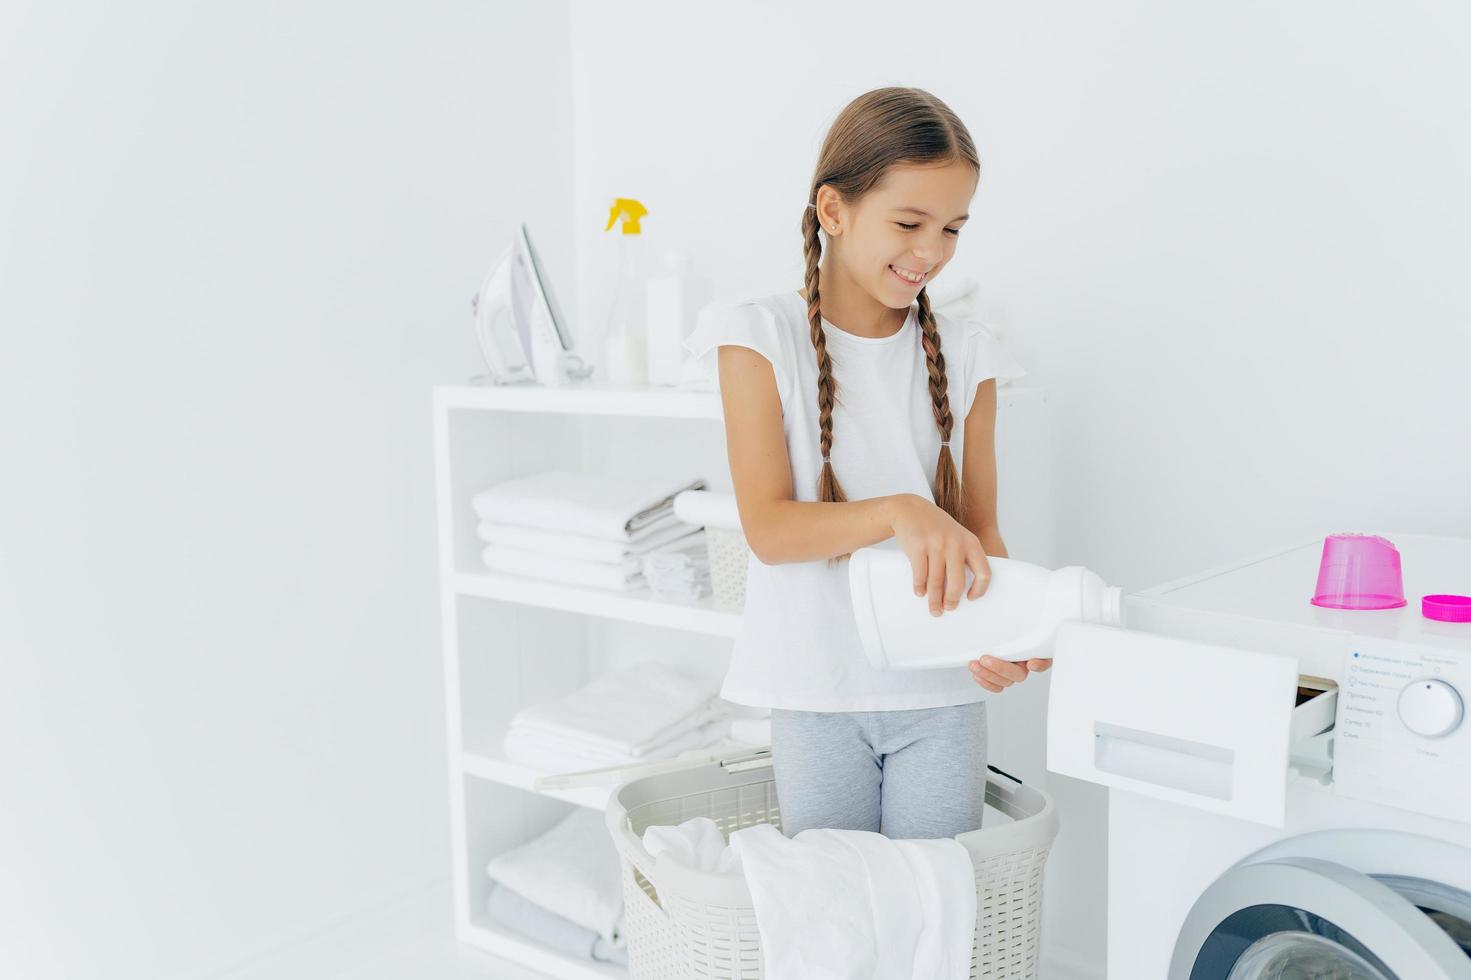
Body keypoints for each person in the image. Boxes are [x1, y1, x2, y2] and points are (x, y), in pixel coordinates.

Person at [684, 86, 1051, 841]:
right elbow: (770, 531)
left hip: (941, 693)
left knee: (933, 914)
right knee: (831, 916)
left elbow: (981, 531)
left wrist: (1009, 630)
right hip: (817, 689)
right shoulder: (755, 337)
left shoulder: (970, 351)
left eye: (952, 228)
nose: (932, 253)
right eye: (909, 223)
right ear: (833, 210)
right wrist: (898, 510)